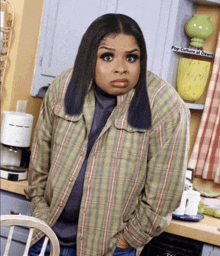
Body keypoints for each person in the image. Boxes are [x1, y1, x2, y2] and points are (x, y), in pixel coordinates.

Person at [25, 13, 190, 256]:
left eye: (131, 58)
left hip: (110, 248)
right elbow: (40, 159)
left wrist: (128, 239)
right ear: (88, 57)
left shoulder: (166, 106)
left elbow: (164, 194)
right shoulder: (64, 86)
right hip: (47, 237)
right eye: (107, 57)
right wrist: (40, 209)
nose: (121, 68)